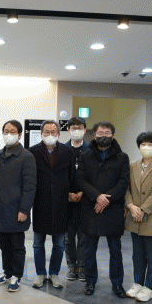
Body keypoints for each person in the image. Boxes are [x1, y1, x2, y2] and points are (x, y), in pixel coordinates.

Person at [77, 122, 130, 298]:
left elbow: (123, 182)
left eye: (107, 132)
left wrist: (106, 199)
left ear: (113, 135)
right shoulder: (85, 155)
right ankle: (90, 282)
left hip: (113, 207)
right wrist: (97, 196)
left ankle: (117, 283)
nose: (104, 135)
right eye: (100, 133)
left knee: (115, 250)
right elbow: (81, 180)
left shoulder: (122, 157)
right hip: (91, 207)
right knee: (89, 250)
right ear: (94, 135)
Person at [29, 120, 76, 289]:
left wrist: (71, 193)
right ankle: (40, 273)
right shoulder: (32, 151)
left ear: (58, 134)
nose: (50, 135)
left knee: (59, 244)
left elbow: (72, 175)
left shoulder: (67, 151)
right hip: (40, 202)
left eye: (53, 132)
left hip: (62, 203)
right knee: (37, 243)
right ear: (41, 134)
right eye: (47, 132)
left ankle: (54, 273)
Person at [0, 120, 36, 293]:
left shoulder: (26, 156)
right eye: (6, 131)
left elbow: (30, 186)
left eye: (12, 131)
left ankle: (17, 275)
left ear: (19, 134)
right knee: (3, 245)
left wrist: (24, 209)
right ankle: (7, 273)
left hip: (17, 209)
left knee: (17, 246)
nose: (8, 134)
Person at [125, 132, 152, 302]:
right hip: (134, 216)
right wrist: (131, 206)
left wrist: (143, 209)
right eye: (143, 144)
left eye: (150, 145)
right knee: (137, 254)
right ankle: (137, 283)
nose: (146, 147)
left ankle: (150, 287)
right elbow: (127, 189)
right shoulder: (133, 165)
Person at [64, 117, 89, 281]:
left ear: (85, 130)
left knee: (83, 237)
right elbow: (58, 176)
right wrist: (67, 194)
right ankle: (71, 266)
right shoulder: (62, 149)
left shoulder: (91, 150)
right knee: (68, 238)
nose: (76, 130)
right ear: (69, 130)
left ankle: (82, 267)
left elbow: (94, 176)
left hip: (85, 200)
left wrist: (83, 192)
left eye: (79, 127)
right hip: (66, 201)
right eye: (73, 128)